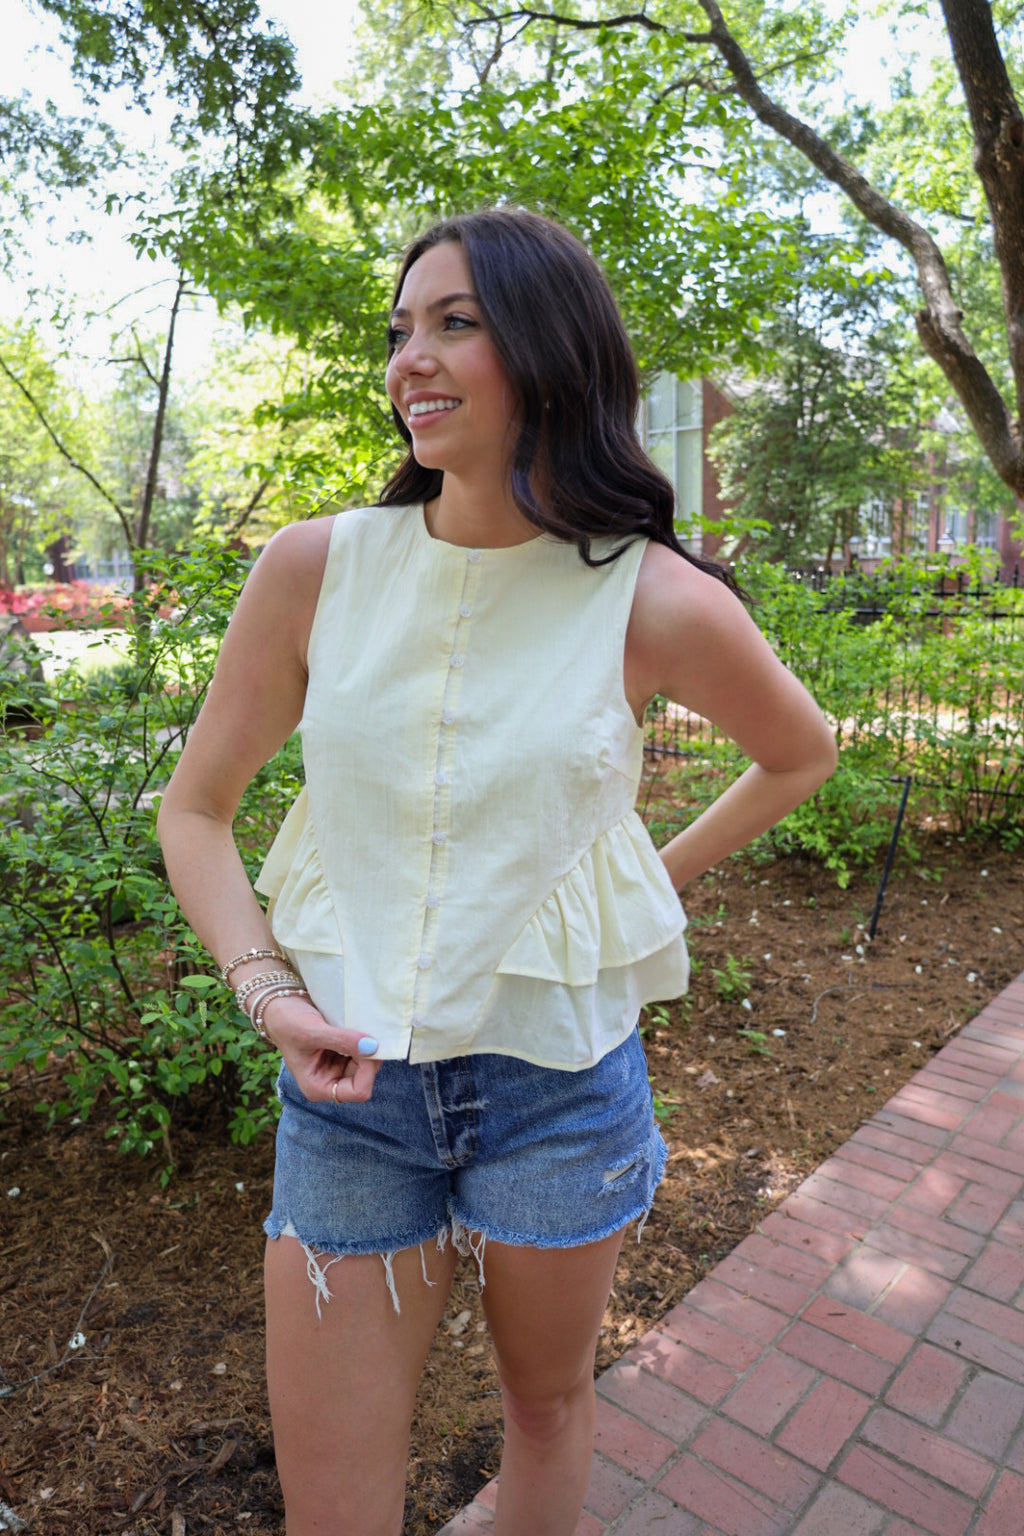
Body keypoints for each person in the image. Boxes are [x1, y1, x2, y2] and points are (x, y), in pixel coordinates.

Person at [157, 207, 838, 1536]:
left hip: (560, 1095)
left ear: (551, 352)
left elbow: (800, 751)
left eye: (455, 323)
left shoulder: (648, 596)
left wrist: (640, 883)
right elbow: (196, 811)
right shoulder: (316, 570)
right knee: (331, 1508)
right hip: (350, 1093)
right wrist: (267, 994)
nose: (410, 357)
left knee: (544, 1411)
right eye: (400, 330)